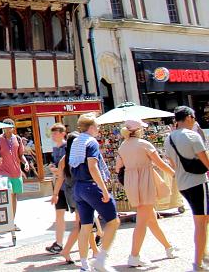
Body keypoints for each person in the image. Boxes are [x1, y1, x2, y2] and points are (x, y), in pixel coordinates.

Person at [115, 119, 177, 267]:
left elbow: (118, 168)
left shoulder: (123, 146)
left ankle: (168, 247)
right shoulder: (144, 144)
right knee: (143, 221)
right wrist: (175, 174)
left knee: (151, 218)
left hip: (132, 182)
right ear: (138, 130)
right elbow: (160, 163)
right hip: (145, 181)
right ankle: (134, 255)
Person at [69, 113, 120, 272]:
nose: (98, 129)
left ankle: (84, 265)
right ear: (91, 128)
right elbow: (93, 166)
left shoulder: (76, 141)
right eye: (97, 126)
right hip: (91, 185)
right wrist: (104, 190)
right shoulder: (91, 143)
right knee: (113, 220)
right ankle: (101, 260)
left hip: (78, 187)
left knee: (85, 226)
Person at [164, 106, 209, 271]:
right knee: (201, 223)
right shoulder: (192, 135)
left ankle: (203, 255)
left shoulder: (169, 139)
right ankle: (198, 262)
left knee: (203, 221)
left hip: (183, 184)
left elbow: (172, 164)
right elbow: (206, 162)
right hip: (197, 183)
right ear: (189, 117)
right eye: (194, 117)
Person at [53, 132, 99, 265]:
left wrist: (55, 194)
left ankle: (95, 250)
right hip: (81, 192)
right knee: (82, 225)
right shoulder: (78, 157)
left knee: (85, 222)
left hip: (71, 193)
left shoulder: (64, 159)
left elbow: (60, 178)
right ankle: (66, 250)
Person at [0, 119, 28, 229]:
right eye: (6, 127)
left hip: (16, 172)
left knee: (14, 195)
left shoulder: (17, 139)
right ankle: (8, 221)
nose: (8, 129)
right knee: (10, 193)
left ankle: (12, 222)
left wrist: (25, 163)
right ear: (3, 127)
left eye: (10, 127)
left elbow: (21, 155)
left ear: (13, 127)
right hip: (3, 171)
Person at [46, 123, 70, 254]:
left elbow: (67, 167)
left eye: (56, 133)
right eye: (52, 133)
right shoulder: (55, 149)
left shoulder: (68, 147)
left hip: (70, 185)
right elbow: (57, 166)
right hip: (59, 186)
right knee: (59, 214)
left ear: (63, 133)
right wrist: (53, 167)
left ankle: (97, 232)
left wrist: (57, 170)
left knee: (81, 214)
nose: (53, 136)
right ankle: (59, 243)